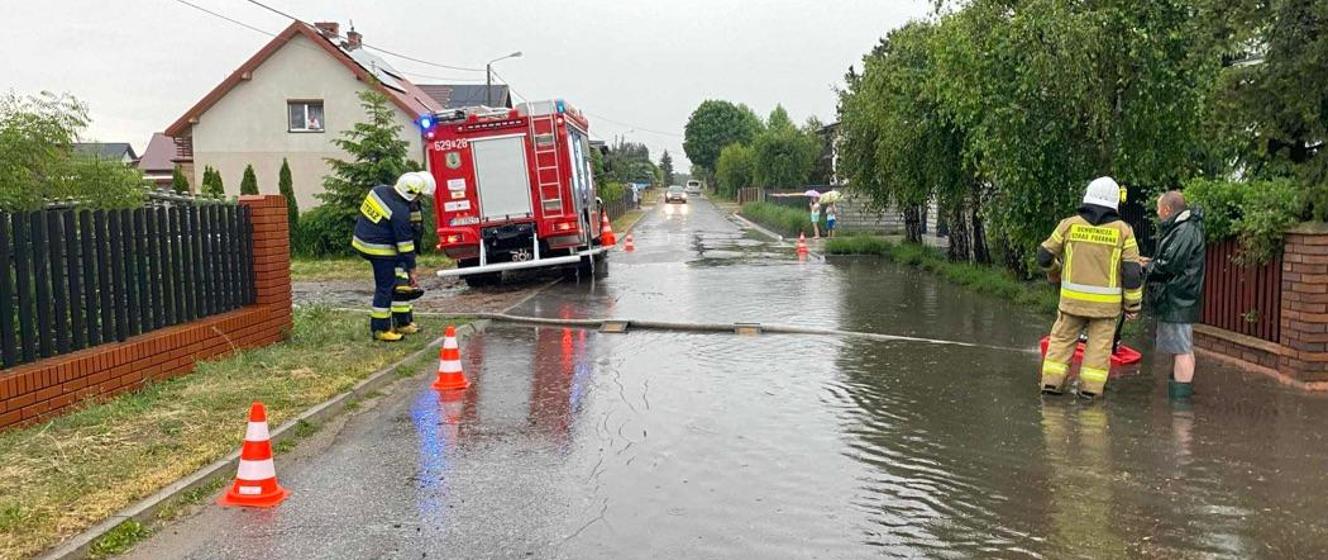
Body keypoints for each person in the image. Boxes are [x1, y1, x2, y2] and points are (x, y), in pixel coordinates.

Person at [1037, 176, 1145, 398]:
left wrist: (1055, 271)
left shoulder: (1069, 224)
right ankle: (1089, 393)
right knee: (1098, 351)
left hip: (1071, 303)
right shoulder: (1124, 231)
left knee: (1061, 344)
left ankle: (1051, 386)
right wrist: (1132, 306)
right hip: (1105, 310)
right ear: (1115, 202)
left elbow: (1043, 255)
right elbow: (1132, 273)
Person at [353, 172, 434, 342]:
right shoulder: (399, 212)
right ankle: (380, 329)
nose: (420, 199)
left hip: (365, 239)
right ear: (411, 193)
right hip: (378, 248)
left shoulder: (380, 190)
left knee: (401, 281)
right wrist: (412, 270)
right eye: (419, 196)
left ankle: (402, 322)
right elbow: (405, 244)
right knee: (386, 286)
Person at [1142, 191, 1205, 399]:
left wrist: (1147, 267)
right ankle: (1178, 396)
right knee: (1182, 348)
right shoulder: (1184, 228)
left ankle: (1180, 405)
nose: (1157, 213)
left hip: (1177, 298)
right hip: (1179, 297)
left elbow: (1170, 264)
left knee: (1181, 350)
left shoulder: (1184, 230)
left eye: (1158, 208)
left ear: (1167, 210)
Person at [392, 171, 435, 335]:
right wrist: (410, 262)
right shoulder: (403, 207)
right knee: (401, 286)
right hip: (399, 252)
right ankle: (402, 323)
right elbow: (407, 232)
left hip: (406, 251)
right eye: (420, 195)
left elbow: (416, 229)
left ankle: (407, 320)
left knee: (407, 286)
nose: (420, 198)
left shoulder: (412, 204)